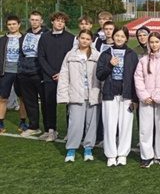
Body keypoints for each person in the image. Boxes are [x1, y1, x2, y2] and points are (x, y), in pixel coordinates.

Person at [96, 26, 139, 167]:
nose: (119, 38)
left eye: (122, 36)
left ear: (126, 38)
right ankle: (111, 155)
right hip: (109, 94)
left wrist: (135, 99)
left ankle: (122, 154)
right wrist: (109, 65)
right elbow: (99, 75)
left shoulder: (132, 54)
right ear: (113, 37)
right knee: (109, 125)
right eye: (117, 35)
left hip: (127, 95)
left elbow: (136, 78)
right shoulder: (105, 54)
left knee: (125, 126)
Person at [57, 29, 101, 162]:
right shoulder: (70, 55)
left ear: (91, 41)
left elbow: (102, 76)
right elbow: (64, 76)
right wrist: (63, 96)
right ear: (78, 38)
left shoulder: (97, 55)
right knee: (75, 123)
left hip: (93, 94)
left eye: (88, 39)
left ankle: (88, 148)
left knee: (91, 124)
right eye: (82, 38)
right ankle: (71, 149)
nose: (85, 41)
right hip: (76, 95)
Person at [134, 32, 160, 168]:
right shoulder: (143, 60)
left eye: (157, 42)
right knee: (145, 128)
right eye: (151, 42)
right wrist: (144, 95)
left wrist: (159, 96)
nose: (154, 44)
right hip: (146, 100)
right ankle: (146, 156)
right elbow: (138, 78)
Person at [37, 12, 75, 142]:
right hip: (49, 77)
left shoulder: (71, 38)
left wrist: (62, 74)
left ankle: (70, 131)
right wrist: (52, 73)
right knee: (49, 104)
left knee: (70, 105)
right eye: (58, 20)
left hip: (66, 76)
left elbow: (72, 57)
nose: (60, 23)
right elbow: (41, 57)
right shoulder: (44, 37)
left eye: (62, 21)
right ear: (52, 22)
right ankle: (51, 130)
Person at [18, 11, 48, 137]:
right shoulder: (25, 35)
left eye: (37, 20)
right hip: (25, 72)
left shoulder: (46, 34)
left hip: (39, 73)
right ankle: (34, 127)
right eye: (32, 19)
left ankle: (49, 129)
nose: (34, 22)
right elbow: (21, 52)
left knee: (45, 102)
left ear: (41, 21)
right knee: (30, 101)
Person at [0, 16, 28, 133]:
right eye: (9, 24)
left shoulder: (25, 38)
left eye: (14, 24)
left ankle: (23, 122)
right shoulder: (2, 39)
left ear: (19, 24)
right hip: (6, 72)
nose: (12, 26)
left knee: (23, 98)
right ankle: (0, 123)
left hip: (21, 72)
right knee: (3, 98)